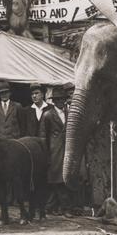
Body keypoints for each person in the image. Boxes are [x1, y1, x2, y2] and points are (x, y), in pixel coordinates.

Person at [44, 86, 74, 216]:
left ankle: (50, 207)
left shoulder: (69, 113)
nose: (61, 102)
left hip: (67, 148)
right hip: (54, 149)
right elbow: (44, 135)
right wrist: (46, 152)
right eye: (58, 99)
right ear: (54, 101)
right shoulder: (48, 115)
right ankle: (65, 208)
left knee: (64, 177)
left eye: (62, 99)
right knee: (57, 179)